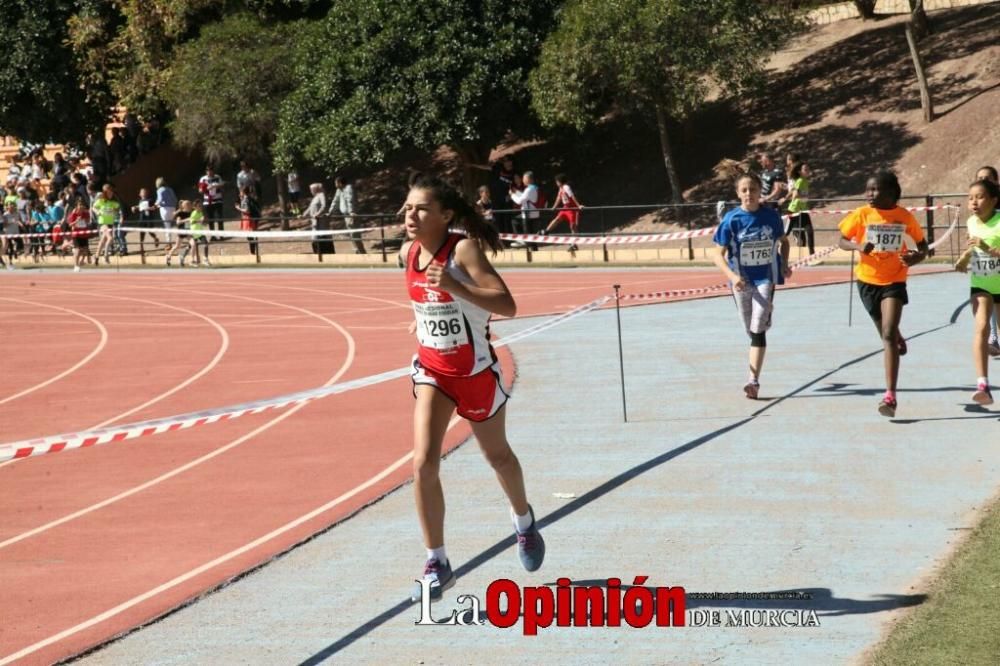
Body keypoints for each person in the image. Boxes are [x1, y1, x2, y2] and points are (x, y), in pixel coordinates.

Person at [400, 173, 544, 602]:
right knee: (423, 462)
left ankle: (523, 521)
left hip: (477, 374)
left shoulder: (462, 248)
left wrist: (456, 286)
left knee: (497, 456)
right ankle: (437, 562)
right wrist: (424, 319)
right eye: (407, 207)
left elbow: (507, 304)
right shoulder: (407, 253)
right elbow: (431, 303)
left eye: (421, 208)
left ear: (445, 215)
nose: (411, 214)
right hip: (434, 372)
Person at [838, 170, 929, 417]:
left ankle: (890, 396)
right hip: (867, 282)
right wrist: (858, 245)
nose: (870, 194)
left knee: (887, 335)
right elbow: (842, 240)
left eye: (876, 189)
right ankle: (896, 334)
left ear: (891, 193)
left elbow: (923, 247)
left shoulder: (904, 216)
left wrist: (915, 258)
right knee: (886, 333)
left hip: (894, 280)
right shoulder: (861, 214)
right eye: (868, 189)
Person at [712, 175, 792, 399]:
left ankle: (753, 381)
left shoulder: (771, 216)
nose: (749, 194)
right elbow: (717, 254)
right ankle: (765, 315)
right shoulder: (732, 219)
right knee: (749, 328)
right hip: (741, 280)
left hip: (766, 277)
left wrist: (784, 263)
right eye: (744, 190)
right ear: (738, 193)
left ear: (760, 192)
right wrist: (732, 275)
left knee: (757, 329)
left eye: (753, 189)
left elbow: (783, 241)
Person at [953, 179, 1000, 405]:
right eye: (970, 197)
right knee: (981, 327)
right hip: (981, 284)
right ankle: (983, 384)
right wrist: (964, 259)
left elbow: (987, 248)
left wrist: (986, 248)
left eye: (980, 197)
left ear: (993, 200)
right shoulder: (971, 222)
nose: (974, 202)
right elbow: (973, 246)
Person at [974, 166, 1000, 357]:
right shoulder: (976, 207)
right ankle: (993, 338)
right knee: (988, 298)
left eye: (988, 178)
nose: (985, 180)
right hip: (985, 263)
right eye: (980, 178)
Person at [784, 162, 815, 256]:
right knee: (786, 232)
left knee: (809, 231)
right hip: (793, 210)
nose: (808, 171)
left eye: (808, 169)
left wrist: (785, 198)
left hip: (803, 210)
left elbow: (792, 190)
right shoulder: (800, 180)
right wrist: (805, 196)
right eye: (805, 169)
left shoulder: (805, 181)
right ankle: (775, 246)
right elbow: (796, 194)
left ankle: (812, 254)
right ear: (800, 172)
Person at [329, 176, 365, 254]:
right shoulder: (339, 190)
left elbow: (350, 200)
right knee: (351, 235)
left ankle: (362, 253)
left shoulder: (348, 188)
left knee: (355, 235)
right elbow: (335, 201)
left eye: (336, 182)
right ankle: (357, 251)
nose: (335, 184)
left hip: (351, 215)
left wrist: (351, 211)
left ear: (340, 183)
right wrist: (330, 212)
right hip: (345, 216)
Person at [92, 184, 123, 264]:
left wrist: (119, 215)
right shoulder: (101, 201)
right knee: (110, 238)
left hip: (110, 223)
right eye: (109, 193)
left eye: (111, 193)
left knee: (102, 241)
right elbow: (93, 207)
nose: (110, 194)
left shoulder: (113, 202)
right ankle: (106, 256)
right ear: (105, 193)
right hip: (102, 222)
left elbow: (119, 209)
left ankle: (96, 257)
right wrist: (97, 212)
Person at [180, 200, 210, 267]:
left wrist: (203, 222)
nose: (200, 207)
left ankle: (205, 259)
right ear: (195, 207)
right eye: (199, 206)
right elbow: (191, 222)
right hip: (194, 233)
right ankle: (182, 257)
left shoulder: (201, 213)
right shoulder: (194, 213)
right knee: (189, 247)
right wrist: (199, 220)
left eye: (201, 206)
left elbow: (201, 220)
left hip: (200, 232)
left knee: (206, 244)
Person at [198, 166, 225, 237]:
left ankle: (221, 235)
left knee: (220, 218)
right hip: (208, 201)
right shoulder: (203, 179)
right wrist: (206, 188)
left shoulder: (217, 177)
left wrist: (215, 186)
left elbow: (222, 185)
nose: (209, 172)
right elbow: (200, 190)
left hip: (218, 200)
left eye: (210, 170)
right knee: (210, 219)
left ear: (213, 171)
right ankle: (213, 235)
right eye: (207, 170)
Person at [66, 197, 92, 272]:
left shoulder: (86, 213)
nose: (81, 207)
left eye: (82, 205)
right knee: (77, 250)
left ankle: (82, 260)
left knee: (85, 250)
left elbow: (87, 222)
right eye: (79, 205)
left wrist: (86, 220)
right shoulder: (74, 214)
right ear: (76, 206)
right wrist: (76, 221)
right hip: (76, 235)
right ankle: (76, 265)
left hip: (84, 234)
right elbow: (70, 225)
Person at [235, 186, 261, 256]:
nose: (239, 193)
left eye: (240, 192)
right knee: (251, 235)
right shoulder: (249, 198)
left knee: (250, 236)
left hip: (248, 219)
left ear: (243, 192)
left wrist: (238, 208)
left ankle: (252, 252)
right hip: (251, 218)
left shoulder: (246, 199)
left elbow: (247, 210)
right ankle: (253, 252)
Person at [166, 200, 192, 267]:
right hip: (181, 231)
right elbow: (178, 222)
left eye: (190, 204)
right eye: (187, 205)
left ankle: (182, 256)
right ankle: (168, 256)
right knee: (177, 246)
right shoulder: (180, 213)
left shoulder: (191, 213)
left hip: (188, 231)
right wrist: (187, 220)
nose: (189, 206)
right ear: (184, 206)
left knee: (192, 244)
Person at [155, 177, 178, 243]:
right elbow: (175, 199)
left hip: (165, 209)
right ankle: (178, 238)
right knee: (173, 224)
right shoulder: (170, 189)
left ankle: (168, 242)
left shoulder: (159, 190)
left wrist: (155, 205)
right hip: (173, 208)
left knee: (167, 226)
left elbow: (160, 199)